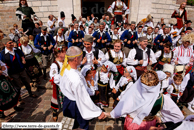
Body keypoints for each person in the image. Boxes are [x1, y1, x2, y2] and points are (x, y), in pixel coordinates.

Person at [106, 70, 184, 130]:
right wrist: (163, 122)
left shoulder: (132, 92)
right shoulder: (163, 99)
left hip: (131, 123)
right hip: (149, 124)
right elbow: (178, 117)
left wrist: (108, 114)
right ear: (157, 84)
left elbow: (120, 109)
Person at [59, 46, 106, 130]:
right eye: (81, 57)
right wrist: (98, 112)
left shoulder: (65, 67)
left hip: (67, 101)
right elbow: (84, 99)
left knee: (69, 125)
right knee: (83, 125)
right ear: (76, 59)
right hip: (76, 104)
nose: (83, 58)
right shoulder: (76, 79)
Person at [49, 47, 66, 122]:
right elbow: (54, 77)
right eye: (64, 52)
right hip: (58, 86)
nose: (66, 53)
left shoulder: (65, 61)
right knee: (56, 99)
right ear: (59, 54)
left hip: (65, 85)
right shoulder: (54, 65)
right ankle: (54, 112)